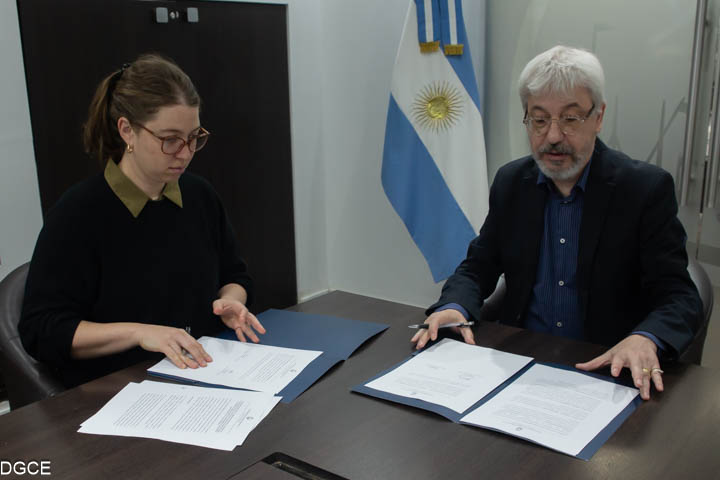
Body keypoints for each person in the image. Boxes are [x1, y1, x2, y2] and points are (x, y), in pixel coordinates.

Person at [412, 45, 702, 401]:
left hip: (605, 372)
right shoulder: (512, 183)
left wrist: (646, 338)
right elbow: (477, 268)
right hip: (518, 364)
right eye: (539, 120)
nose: (552, 136)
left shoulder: (643, 190)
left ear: (598, 117)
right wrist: (453, 306)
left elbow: (680, 297)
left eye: (570, 118)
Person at [19, 54, 265, 388]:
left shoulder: (200, 196)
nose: (185, 152)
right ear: (127, 131)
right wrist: (139, 333)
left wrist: (232, 301)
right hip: (120, 388)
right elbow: (42, 330)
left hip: (204, 371)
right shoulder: (79, 213)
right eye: (170, 139)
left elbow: (235, 275)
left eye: (194, 137)